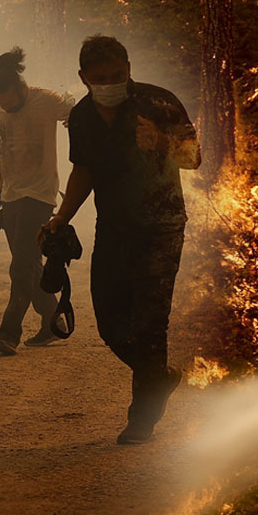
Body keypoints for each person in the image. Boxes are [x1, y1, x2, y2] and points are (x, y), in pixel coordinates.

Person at [40, 35, 200, 444]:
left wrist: (161, 143)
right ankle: (159, 376)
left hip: (161, 227)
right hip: (113, 228)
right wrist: (61, 218)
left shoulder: (159, 103)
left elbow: (193, 158)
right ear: (84, 77)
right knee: (110, 324)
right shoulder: (81, 117)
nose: (111, 82)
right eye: (101, 77)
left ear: (129, 69)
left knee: (149, 325)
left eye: (118, 75)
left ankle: (141, 421)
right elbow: (84, 172)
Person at [0, 46, 75, 355]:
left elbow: (74, 110)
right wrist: (1, 182)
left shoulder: (46, 101)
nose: (5, 107)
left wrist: (72, 115)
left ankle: (8, 334)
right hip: (10, 195)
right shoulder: (3, 108)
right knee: (29, 264)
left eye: (9, 101)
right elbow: (5, 145)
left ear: (20, 87)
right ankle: (53, 324)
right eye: (0, 103)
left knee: (21, 267)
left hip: (39, 195)